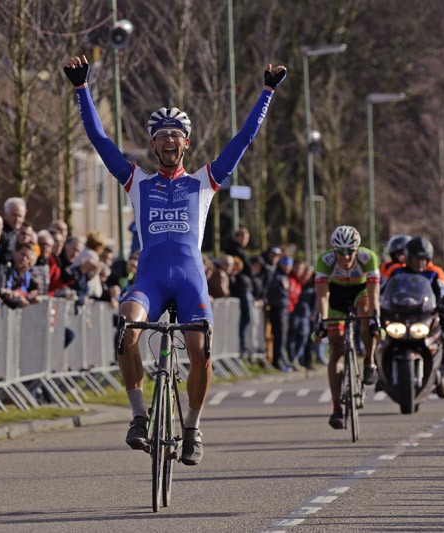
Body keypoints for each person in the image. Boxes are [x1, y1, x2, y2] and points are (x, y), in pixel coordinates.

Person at [64, 53, 286, 465]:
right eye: (161, 134)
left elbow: (243, 139)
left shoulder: (205, 181)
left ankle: (193, 427)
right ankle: (138, 416)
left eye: (176, 134)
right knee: (127, 328)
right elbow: (99, 140)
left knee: (200, 352)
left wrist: (267, 93)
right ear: (153, 144)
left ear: (187, 142)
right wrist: (82, 90)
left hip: (189, 280)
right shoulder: (138, 182)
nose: (169, 140)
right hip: (148, 279)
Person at [313, 226, 381, 430]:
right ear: (334, 251)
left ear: (357, 249)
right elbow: (323, 297)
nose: (345, 257)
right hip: (337, 296)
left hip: (361, 291)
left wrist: (375, 319)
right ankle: (336, 408)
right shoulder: (324, 261)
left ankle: (369, 361)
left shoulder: (368, 258)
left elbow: (374, 294)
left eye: (350, 251)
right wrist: (321, 322)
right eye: (340, 252)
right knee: (336, 348)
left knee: (368, 318)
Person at [388, 236, 444, 398]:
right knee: (379, 332)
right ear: (408, 258)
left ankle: (443, 366)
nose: (420, 263)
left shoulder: (435, 272)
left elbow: (442, 290)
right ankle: (378, 369)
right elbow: (386, 290)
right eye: (416, 259)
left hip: (426, 314)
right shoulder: (397, 271)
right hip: (402, 314)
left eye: (423, 259)